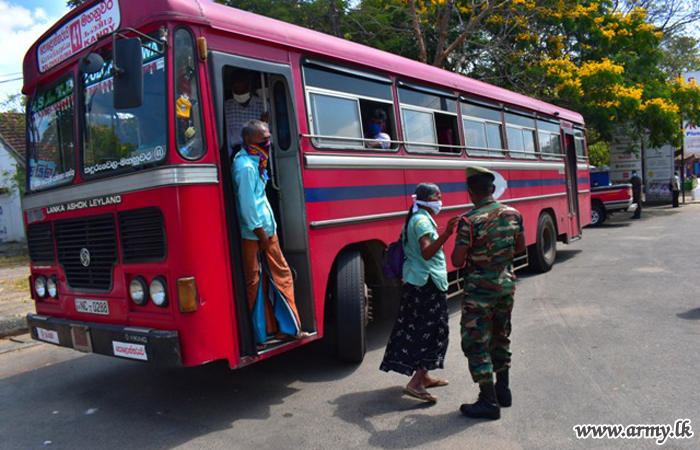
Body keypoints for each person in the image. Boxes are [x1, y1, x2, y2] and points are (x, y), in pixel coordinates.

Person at [451, 166, 525, 420]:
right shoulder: (514, 214)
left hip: (479, 292)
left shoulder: (469, 221)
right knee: (501, 335)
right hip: (505, 286)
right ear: (492, 189)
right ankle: (503, 392)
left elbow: (458, 260)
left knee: (476, 342)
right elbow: (520, 247)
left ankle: (487, 401)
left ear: (470, 191)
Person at [380, 183, 459, 403]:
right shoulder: (422, 220)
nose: (440, 201)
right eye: (436, 197)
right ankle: (415, 383)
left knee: (418, 329)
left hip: (416, 282)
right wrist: (447, 234)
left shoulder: (416, 218)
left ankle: (424, 376)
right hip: (427, 284)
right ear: (425, 200)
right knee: (435, 332)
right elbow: (426, 252)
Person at [233, 119, 305, 346]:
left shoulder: (253, 160)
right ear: (248, 140)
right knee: (272, 278)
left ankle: (277, 331)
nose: (268, 142)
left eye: (268, 137)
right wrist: (263, 236)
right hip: (257, 233)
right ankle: (280, 331)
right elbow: (248, 206)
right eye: (263, 139)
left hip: (261, 231)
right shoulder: (245, 167)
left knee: (263, 280)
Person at [225, 69, 269, 158]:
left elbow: (270, 133)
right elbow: (227, 134)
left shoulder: (263, 105)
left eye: (243, 90)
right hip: (237, 151)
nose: (240, 93)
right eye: (236, 91)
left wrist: (264, 124)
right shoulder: (227, 107)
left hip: (258, 150)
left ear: (249, 88)